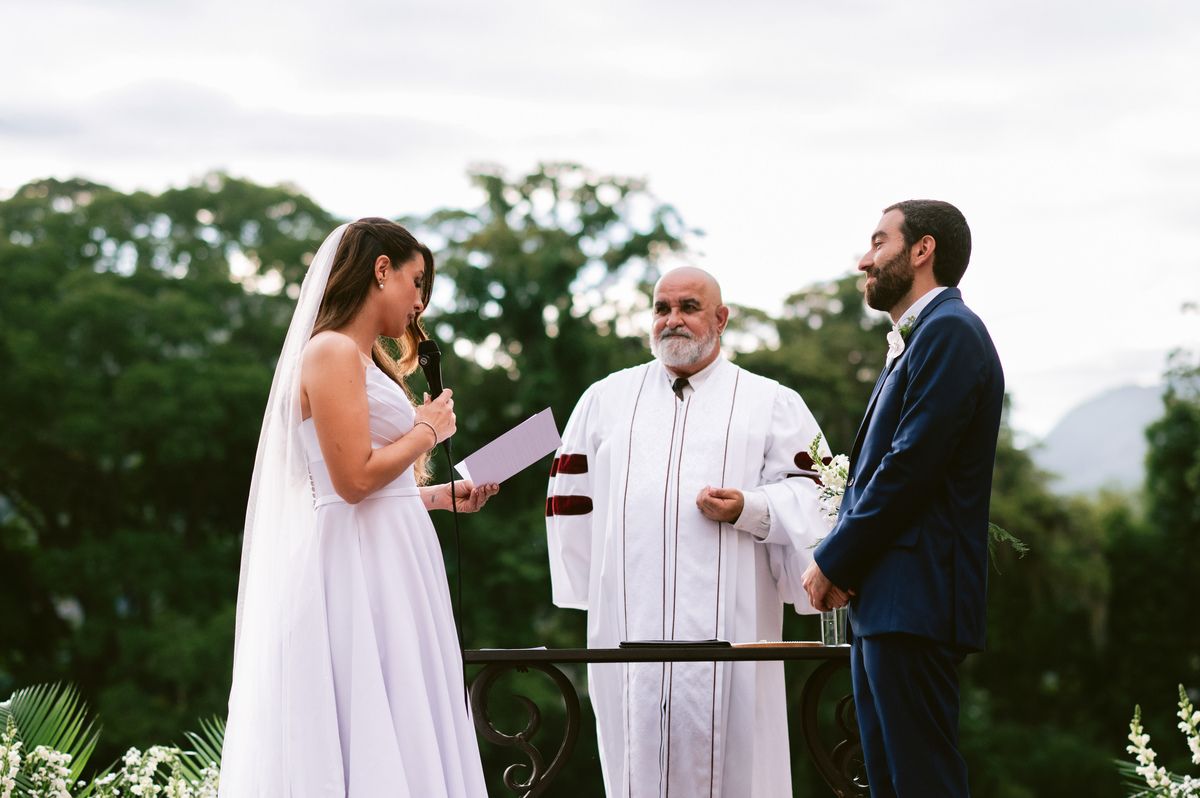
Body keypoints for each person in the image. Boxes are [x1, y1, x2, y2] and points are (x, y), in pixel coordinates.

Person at [218, 218, 498, 798]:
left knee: (408, 707)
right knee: (370, 705)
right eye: (417, 283)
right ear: (381, 270)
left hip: (396, 558)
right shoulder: (330, 350)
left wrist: (437, 496)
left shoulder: (365, 360)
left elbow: (373, 484)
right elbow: (350, 482)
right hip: (357, 565)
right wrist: (428, 430)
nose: (420, 303)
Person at [546, 266, 829, 797]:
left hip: (736, 624)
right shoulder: (605, 398)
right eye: (662, 308)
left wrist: (750, 508)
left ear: (720, 319)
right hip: (630, 622)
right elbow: (564, 478)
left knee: (739, 767)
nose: (672, 319)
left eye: (689, 307)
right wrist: (583, 583)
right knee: (637, 761)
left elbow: (817, 497)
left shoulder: (770, 402)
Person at [803, 200, 1004, 798]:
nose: (864, 260)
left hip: (914, 598)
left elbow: (909, 466)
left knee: (923, 782)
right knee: (891, 784)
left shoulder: (950, 331)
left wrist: (834, 560)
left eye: (878, 242)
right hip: (888, 602)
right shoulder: (921, 338)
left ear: (922, 250)